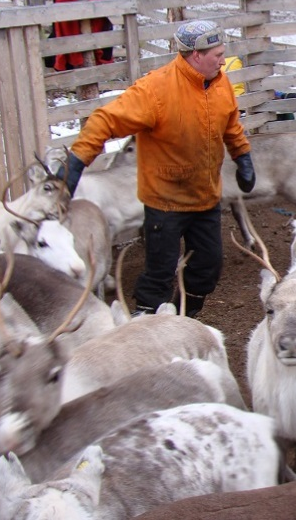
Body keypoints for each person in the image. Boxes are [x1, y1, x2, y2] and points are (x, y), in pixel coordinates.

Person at [57, 20, 255, 318]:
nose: (222, 60)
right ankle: (145, 320)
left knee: (207, 268)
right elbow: (104, 120)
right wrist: (76, 163)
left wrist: (242, 156)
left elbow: (231, 125)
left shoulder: (220, 83)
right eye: (217, 54)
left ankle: (180, 318)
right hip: (165, 202)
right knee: (160, 272)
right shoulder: (155, 90)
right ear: (195, 55)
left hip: (205, 197)